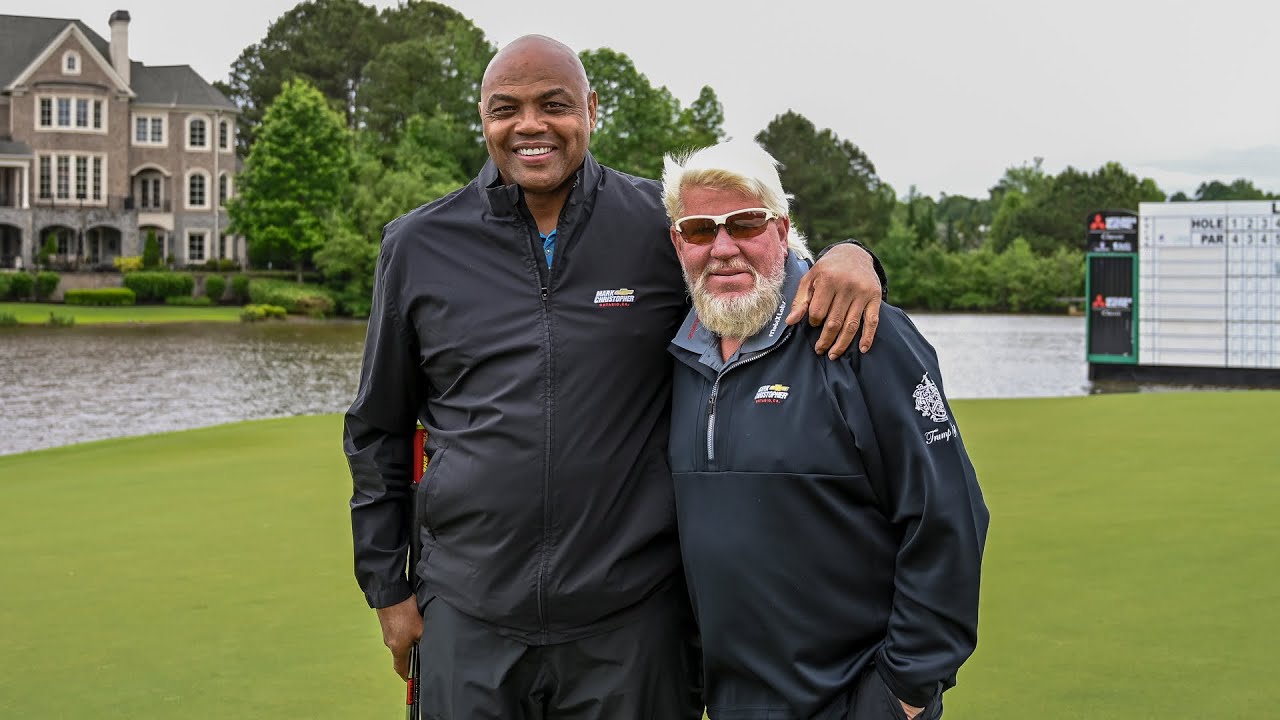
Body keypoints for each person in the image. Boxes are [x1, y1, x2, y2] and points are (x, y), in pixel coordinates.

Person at [344, 34, 887, 720]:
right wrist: (388, 590)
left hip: (632, 622)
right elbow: (377, 430)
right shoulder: (418, 244)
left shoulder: (655, 227)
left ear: (592, 111)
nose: (530, 125)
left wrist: (855, 254)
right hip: (469, 612)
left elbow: (763, 260)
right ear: (482, 117)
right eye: (506, 108)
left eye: (555, 104)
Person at [662, 139, 989, 720]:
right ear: (677, 242)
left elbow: (948, 519)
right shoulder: (677, 354)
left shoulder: (868, 336)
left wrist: (904, 695)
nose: (723, 247)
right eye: (699, 230)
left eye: (744, 223)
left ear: (782, 230)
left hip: (859, 703)